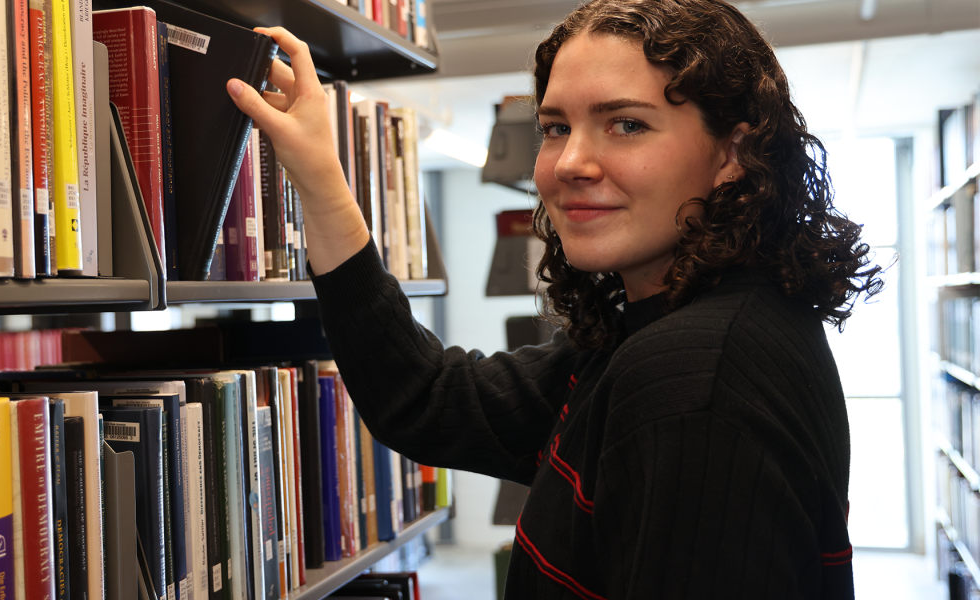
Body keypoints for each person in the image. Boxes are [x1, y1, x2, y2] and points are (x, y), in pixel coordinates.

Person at [226, 0, 882, 596]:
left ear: (733, 153)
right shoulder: (655, 330)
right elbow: (429, 400)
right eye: (556, 127)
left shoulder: (695, 373)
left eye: (626, 124)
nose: (570, 162)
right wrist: (319, 178)